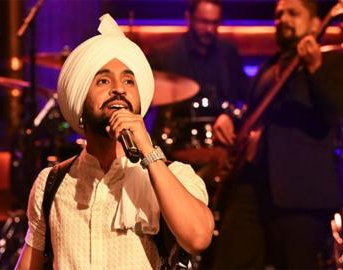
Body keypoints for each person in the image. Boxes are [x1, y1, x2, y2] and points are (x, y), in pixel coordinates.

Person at [14, 14, 214, 270]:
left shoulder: (174, 176)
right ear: (80, 102)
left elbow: (198, 237)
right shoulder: (52, 183)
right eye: (103, 80)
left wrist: (149, 153)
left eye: (129, 81)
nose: (119, 89)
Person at [211, 0, 343, 268]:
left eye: (293, 13)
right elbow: (250, 111)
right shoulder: (269, 66)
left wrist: (315, 67)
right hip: (251, 185)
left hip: (300, 193)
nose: (283, 18)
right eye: (279, 14)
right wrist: (230, 118)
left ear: (317, 24)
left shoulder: (332, 59)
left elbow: (336, 113)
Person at [148, 0, 249, 185]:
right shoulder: (163, 54)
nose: (210, 29)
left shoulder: (228, 54)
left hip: (220, 146)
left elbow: (245, 96)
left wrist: (229, 116)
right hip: (175, 143)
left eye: (215, 23)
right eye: (204, 22)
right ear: (189, 17)